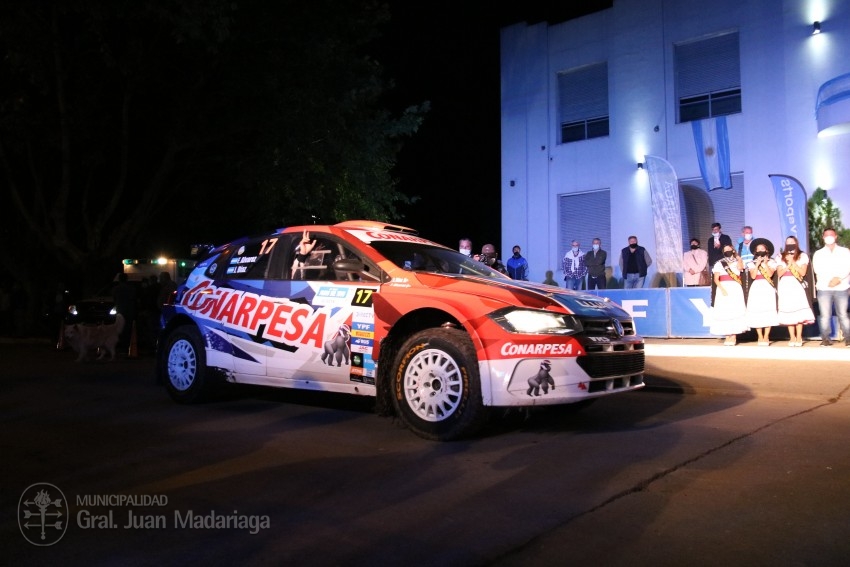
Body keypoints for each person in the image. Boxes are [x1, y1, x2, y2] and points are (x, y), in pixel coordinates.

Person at [811, 227, 850, 347]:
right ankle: (826, 339)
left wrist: (838, 279)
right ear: (823, 238)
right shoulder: (818, 253)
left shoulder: (844, 251)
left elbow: (847, 266)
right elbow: (817, 269)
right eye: (826, 235)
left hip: (841, 287)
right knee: (825, 315)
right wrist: (830, 280)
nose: (829, 237)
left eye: (831, 235)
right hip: (824, 287)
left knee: (843, 314)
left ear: (836, 236)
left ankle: (848, 338)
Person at [776, 236, 815, 347]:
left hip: (797, 284)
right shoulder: (780, 256)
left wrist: (793, 261)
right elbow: (779, 273)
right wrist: (788, 263)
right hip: (785, 285)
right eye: (788, 242)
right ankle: (792, 337)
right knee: (789, 310)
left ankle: (799, 336)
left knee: (798, 311)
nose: (790, 244)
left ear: (796, 243)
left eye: (792, 242)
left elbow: (802, 273)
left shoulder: (802, 256)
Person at [710, 243, 748, 345]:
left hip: (735, 287)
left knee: (734, 310)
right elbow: (716, 279)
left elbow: (741, 269)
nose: (727, 251)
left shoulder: (737, 261)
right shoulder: (719, 263)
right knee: (725, 311)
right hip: (723, 287)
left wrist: (739, 259)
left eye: (729, 249)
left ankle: (734, 336)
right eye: (725, 250)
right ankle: (727, 336)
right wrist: (722, 289)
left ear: (733, 250)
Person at [744, 238, 778, 346]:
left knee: (768, 310)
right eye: (758, 249)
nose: (760, 251)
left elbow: (770, 274)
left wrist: (766, 263)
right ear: (755, 252)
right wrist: (758, 264)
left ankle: (767, 336)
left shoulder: (772, 262)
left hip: (767, 287)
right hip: (756, 287)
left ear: (767, 251)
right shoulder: (751, 263)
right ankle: (760, 336)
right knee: (757, 310)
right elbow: (753, 276)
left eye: (762, 249)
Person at [707, 222, 734, 303]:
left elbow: (728, 249)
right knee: (715, 281)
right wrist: (711, 264)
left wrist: (720, 247)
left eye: (716, 229)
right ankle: (715, 298)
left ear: (720, 229)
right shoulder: (710, 240)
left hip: (724, 262)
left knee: (725, 280)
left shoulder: (725, 237)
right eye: (713, 230)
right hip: (714, 264)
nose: (715, 231)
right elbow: (710, 252)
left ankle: (727, 294)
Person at [111, 272, 137, 352]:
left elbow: (114, 299)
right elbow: (134, 299)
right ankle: (127, 345)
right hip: (129, 310)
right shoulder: (131, 288)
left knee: (119, 328)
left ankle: (121, 345)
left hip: (120, 311)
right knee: (128, 328)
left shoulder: (116, 289)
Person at [737, 226, 755, 300]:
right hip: (743, 270)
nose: (749, 234)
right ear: (743, 233)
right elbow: (737, 256)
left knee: (753, 289)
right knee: (743, 289)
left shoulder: (755, 242)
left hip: (753, 269)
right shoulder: (739, 244)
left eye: (750, 232)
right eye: (747, 232)